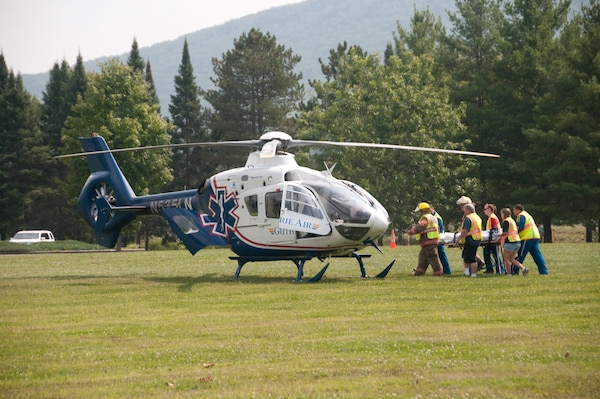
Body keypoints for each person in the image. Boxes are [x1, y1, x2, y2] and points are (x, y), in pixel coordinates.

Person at [407, 202, 444, 276]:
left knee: (433, 257)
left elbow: (421, 225)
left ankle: (438, 272)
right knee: (423, 257)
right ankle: (419, 271)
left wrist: (412, 231)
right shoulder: (433, 217)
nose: (419, 213)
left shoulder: (426, 218)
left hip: (429, 241)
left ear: (422, 211)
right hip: (430, 241)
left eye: (419, 212)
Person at [513, 204, 549, 274]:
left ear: (518, 210)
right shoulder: (528, 215)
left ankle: (515, 270)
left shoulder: (521, 215)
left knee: (521, 255)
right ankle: (544, 271)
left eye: (514, 210)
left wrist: (515, 234)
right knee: (537, 255)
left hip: (527, 237)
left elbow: (520, 227)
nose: (513, 212)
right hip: (535, 236)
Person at [456, 196, 485, 270]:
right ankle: (471, 271)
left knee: (470, 258)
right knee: (467, 256)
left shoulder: (469, 217)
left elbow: (465, 230)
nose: (462, 208)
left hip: (470, 239)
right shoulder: (476, 217)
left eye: (462, 206)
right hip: (476, 238)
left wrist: (459, 238)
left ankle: (472, 273)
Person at [498, 208, 528, 276]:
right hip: (517, 241)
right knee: (512, 259)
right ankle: (523, 268)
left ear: (504, 214)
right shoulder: (512, 221)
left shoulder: (506, 221)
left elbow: (505, 233)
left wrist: (499, 240)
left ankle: (509, 273)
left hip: (509, 242)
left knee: (506, 259)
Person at [430, 204, 452, 274]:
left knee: (441, 255)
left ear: (432, 209)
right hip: (435, 239)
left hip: (438, 239)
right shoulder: (432, 216)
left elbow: (440, 230)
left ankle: (447, 271)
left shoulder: (436, 217)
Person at [483, 203, 503, 274]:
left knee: (496, 255)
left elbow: (497, 227)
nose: (484, 211)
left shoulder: (493, 217)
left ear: (489, 209)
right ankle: (490, 269)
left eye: (485, 209)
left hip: (493, 240)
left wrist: (498, 237)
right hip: (490, 239)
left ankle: (500, 269)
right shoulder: (490, 217)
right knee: (486, 253)